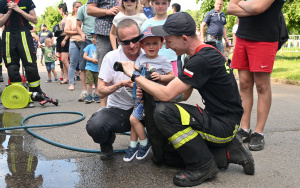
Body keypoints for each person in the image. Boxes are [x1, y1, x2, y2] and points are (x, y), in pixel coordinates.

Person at [120, 12, 255, 187]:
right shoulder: (200, 54)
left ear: (184, 39)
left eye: (168, 41)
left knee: (164, 113)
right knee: (168, 152)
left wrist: (134, 75)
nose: (167, 47)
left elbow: (167, 96)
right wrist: (153, 92)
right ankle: (229, 152)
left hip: (224, 126)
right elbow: (184, 94)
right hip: (219, 119)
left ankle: (204, 166)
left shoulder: (201, 59)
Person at [227, 0, 285, 151]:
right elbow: (230, 7)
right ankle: (244, 129)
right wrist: (252, 8)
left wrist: (246, 5)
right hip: (242, 37)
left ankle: (259, 132)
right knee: (244, 83)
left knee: (262, 85)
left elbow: (258, 7)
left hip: (265, 38)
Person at [86, 18, 142, 160]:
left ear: (141, 35)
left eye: (136, 39)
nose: (132, 45)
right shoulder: (112, 57)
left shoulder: (149, 52)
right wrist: (121, 84)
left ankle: (158, 145)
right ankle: (106, 142)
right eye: (125, 42)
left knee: (165, 113)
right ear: (118, 40)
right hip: (120, 110)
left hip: (146, 108)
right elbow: (100, 91)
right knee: (95, 126)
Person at [123, 28, 175, 162]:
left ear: (161, 44)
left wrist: (161, 77)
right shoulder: (140, 59)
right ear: (142, 46)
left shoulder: (163, 60)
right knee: (134, 121)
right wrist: (135, 85)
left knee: (134, 120)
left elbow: (172, 76)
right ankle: (133, 145)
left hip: (156, 99)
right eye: (147, 44)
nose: (151, 47)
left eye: (154, 43)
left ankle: (145, 142)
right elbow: (135, 77)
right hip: (141, 98)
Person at [0, 0, 45, 100]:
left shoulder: (26, 1)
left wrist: (18, 10)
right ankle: (19, 93)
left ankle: (35, 92)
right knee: (11, 65)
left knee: (30, 64)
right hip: (8, 35)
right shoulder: (2, 2)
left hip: (24, 33)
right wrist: (9, 11)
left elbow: (34, 20)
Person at [87, 0, 119, 108]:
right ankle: (103, 107)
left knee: (123, 67)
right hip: (104, 32)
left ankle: (122, 104)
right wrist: (108, 11)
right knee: (104, 69)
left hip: (124, 32)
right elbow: (89, 9)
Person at [141, 0, 178, 76]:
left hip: (171, 58)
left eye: (164, 3)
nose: (160, 6)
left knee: (173, 84)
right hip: (152, 61)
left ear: (169, 4)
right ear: (152, 3)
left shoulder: (174, 21)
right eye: (157, 3)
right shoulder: (147, 23)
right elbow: (141, 41)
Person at [76, 2, 96, 102]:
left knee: (101, 65)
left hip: (99, 38)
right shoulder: (82, 9)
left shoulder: (100, 6)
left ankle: (98, 91)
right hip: (87, 39)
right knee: (83, 66)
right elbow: (78, 26)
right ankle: (84, 91)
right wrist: (82, 34)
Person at [64, 1, 83, 91]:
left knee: (87, 63)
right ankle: (71, 83)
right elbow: (66, 31)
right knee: (73, 63)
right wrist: (78, 32)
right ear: (73, 8)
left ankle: (90, 83)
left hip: (84, 41)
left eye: (80, 7)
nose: (79, 8)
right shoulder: (70, 18)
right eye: (77, 7)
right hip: (74, 41)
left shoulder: (86, 17)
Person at [83, 30, 100, 103]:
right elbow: (84, 56)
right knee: (90, 83)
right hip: (89, 67)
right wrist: (92, 60)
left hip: (97, 68)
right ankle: (89, 95)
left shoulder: (100, 47)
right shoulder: (89, 46)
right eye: (92, 37)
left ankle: (96, 95)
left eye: (95, 38)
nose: (93, 39)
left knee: (97, 83)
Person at [56, 3, 70, 85]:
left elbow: (69, 30)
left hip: (65, 39)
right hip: (60, 38)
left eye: (59, 10)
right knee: (63, 61)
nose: (59, 12)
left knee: (65, 60)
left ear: (61, 9)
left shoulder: (68, 18)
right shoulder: (64, 18)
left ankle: (71, 78)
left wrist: (65, 39)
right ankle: (66, 78)